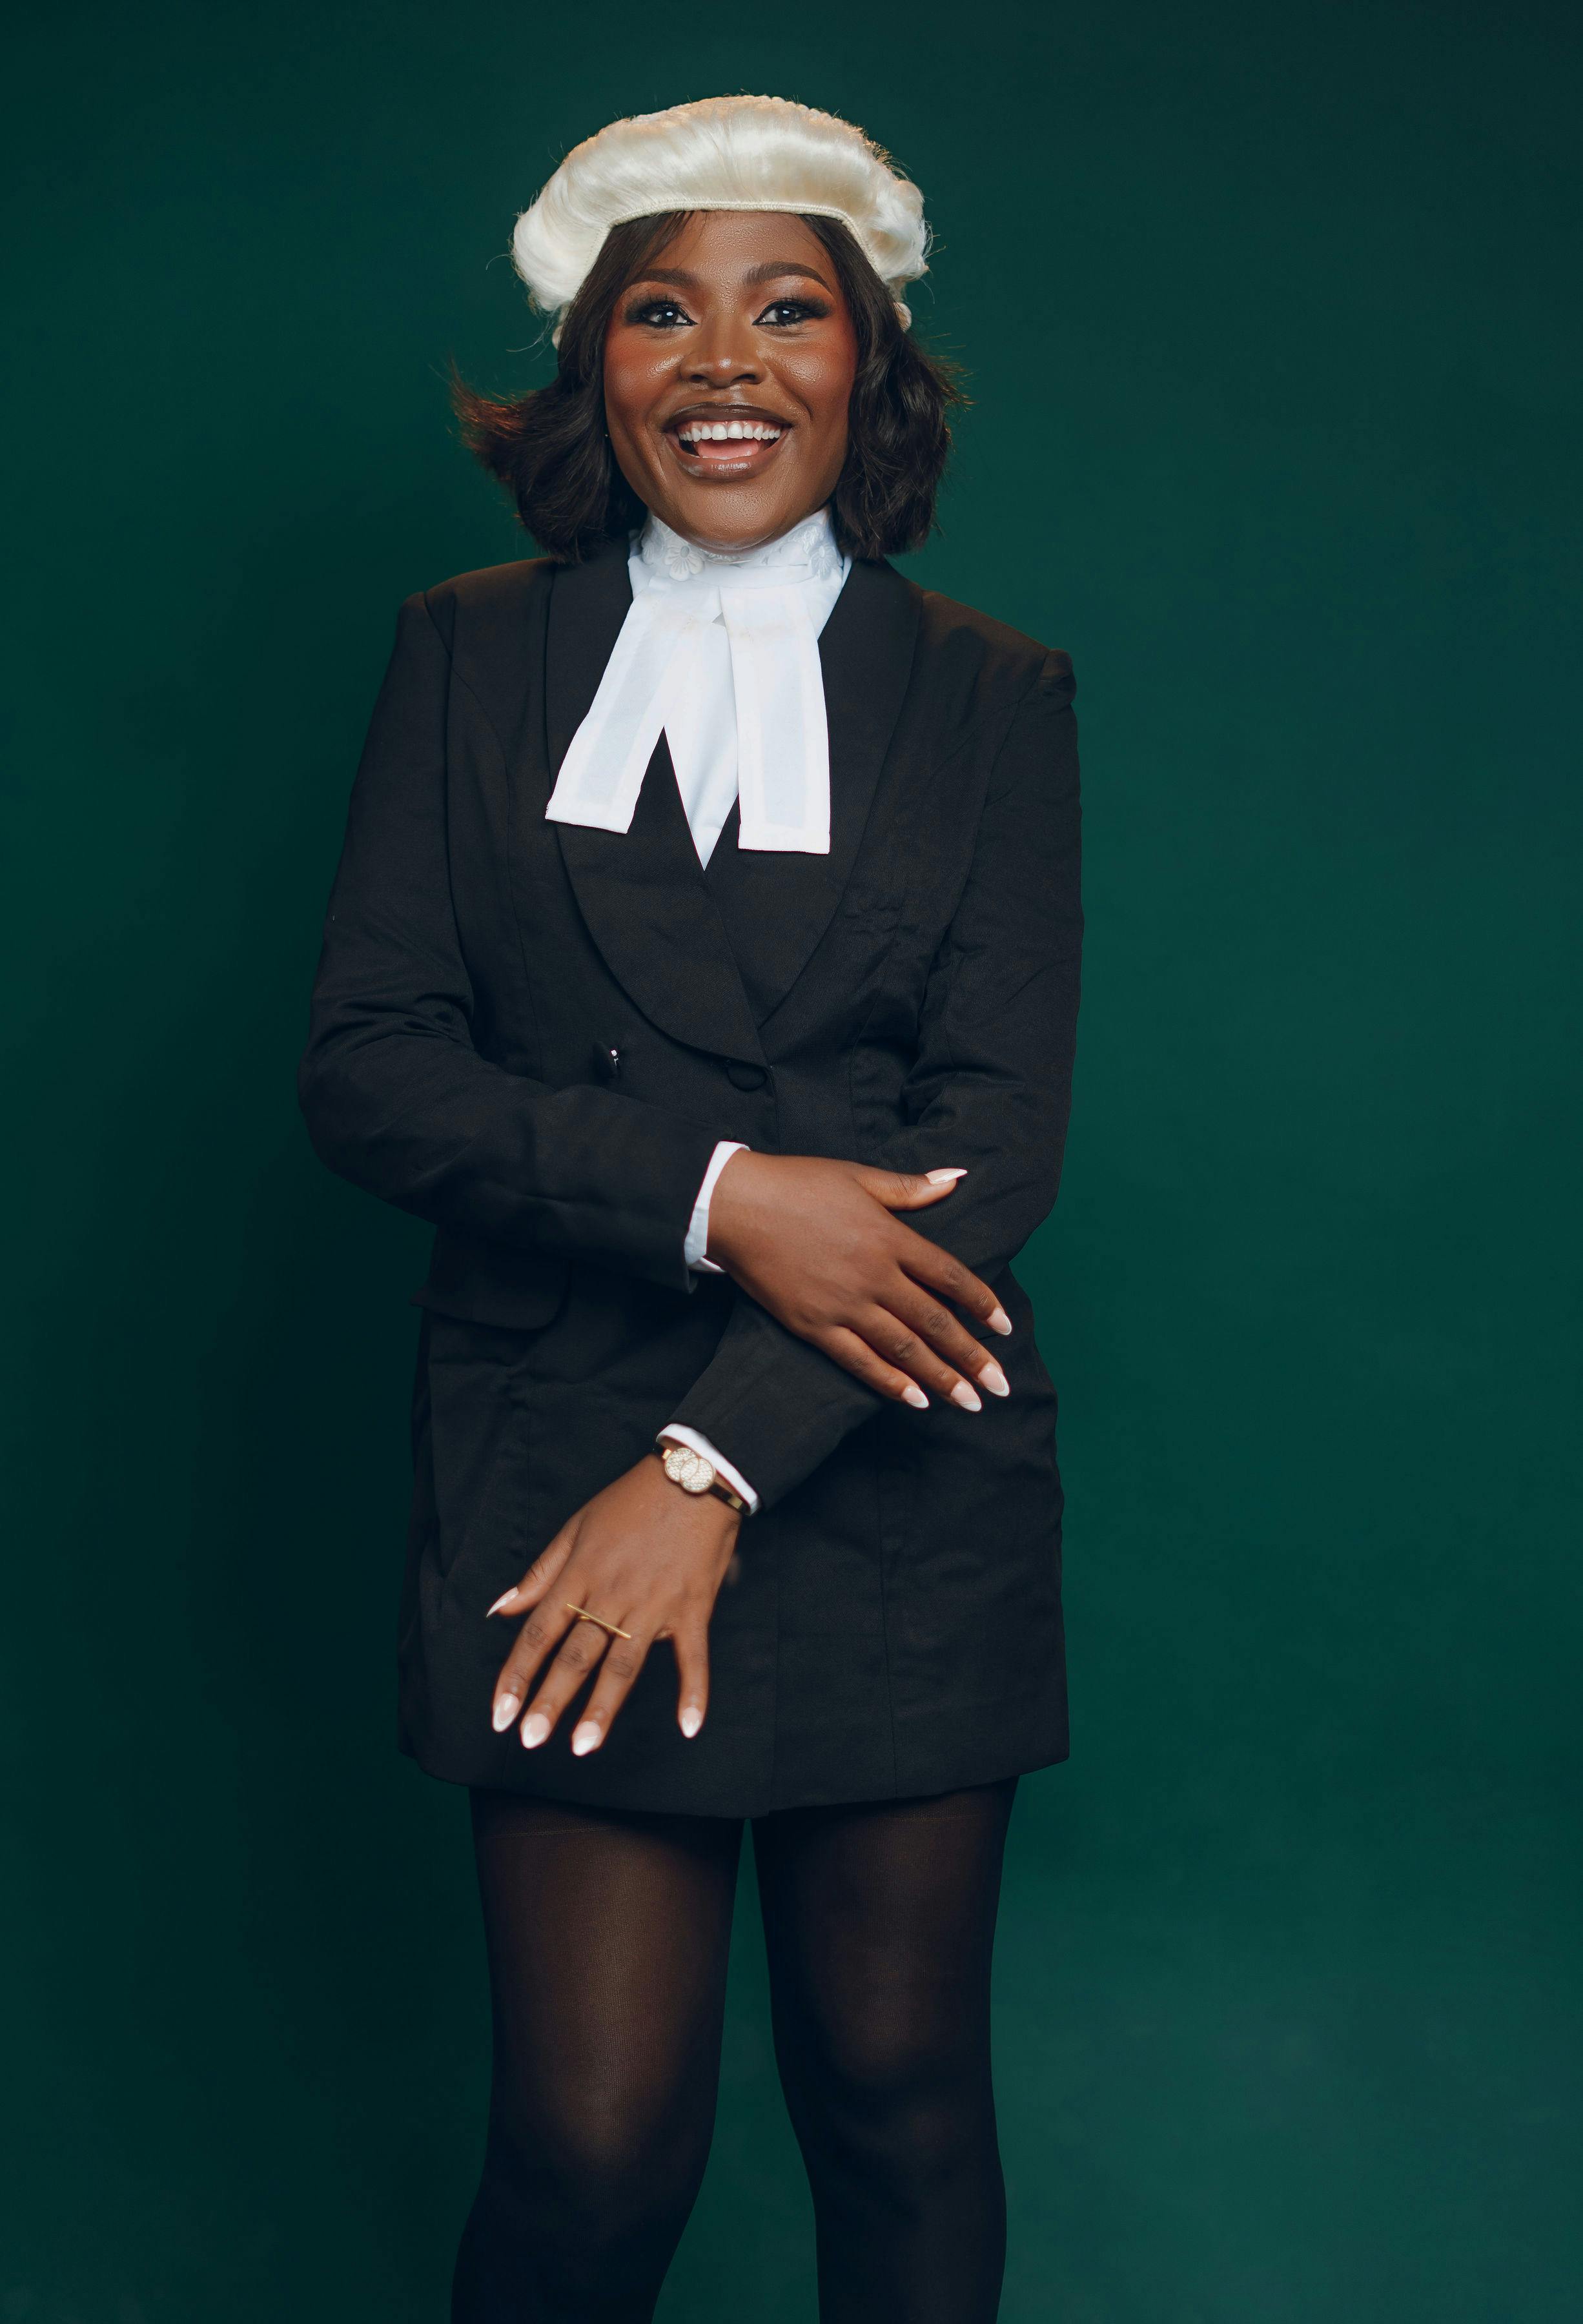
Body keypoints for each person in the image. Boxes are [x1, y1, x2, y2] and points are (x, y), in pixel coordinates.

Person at [300, 93, 1083, 2324]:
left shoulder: (991, 694)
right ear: (590, 366)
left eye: (785, 307)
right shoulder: (463, 655)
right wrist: (727, 1193)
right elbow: (370, 1068)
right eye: (663, 308)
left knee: (901, 2103)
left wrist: (717, 1458)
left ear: (870, 361)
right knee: (591, 2154)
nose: (724, 360)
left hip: (883, 1451)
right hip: (554, 1470)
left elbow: (989, 1147)